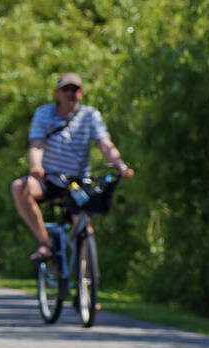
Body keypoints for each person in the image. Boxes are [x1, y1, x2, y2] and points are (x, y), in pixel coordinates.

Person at [11, 72, 134, 262]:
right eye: (65, 89)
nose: (70, 93)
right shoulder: (44, 113)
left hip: (77, 183)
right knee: (20, 187)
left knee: (84, 226)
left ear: (80, 93)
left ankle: (84, 276)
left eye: (74, 89)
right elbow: (37, 144)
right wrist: (36, 166)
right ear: (57, 92)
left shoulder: (90, 115)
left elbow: (105, 144)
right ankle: (45, 243)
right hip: (50, 178)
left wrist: (121, 166)